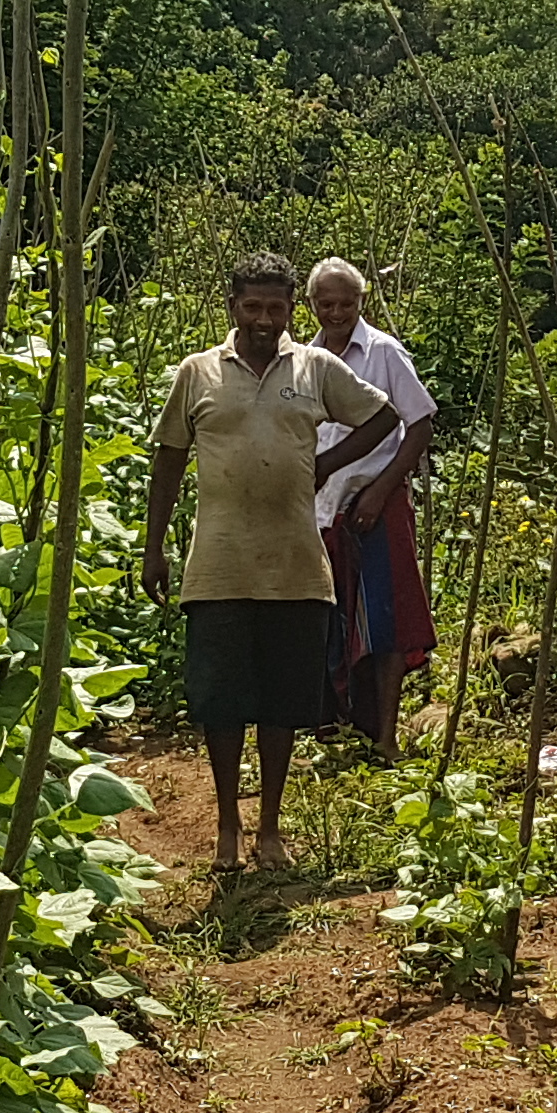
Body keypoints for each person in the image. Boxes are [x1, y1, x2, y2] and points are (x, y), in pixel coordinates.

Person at [142, 250, 399, 873]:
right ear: (232, 307)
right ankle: (228, 823)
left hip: (295, 566)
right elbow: (169, 459)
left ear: (290, 312)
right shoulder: (198, 373)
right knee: (221, 703)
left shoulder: (314, 367)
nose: (263, 319)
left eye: (275, 309)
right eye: (252, 307)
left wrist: (326, 466)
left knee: (284, 703)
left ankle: (270, 829)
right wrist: (154, 547)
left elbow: (384, 417)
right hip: (218, 564)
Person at [304, 257, 437, 757]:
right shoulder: (303, 359)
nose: (336, 312)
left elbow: (419, 423)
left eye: (346, 303)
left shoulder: (384, 353)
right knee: (328, 621)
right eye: (326, 303)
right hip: (321, 510)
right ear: (312, 305)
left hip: (375, 505)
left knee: (385, 622)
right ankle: (336, 731)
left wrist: (381, 490)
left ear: (362, 302)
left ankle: (385, 737)